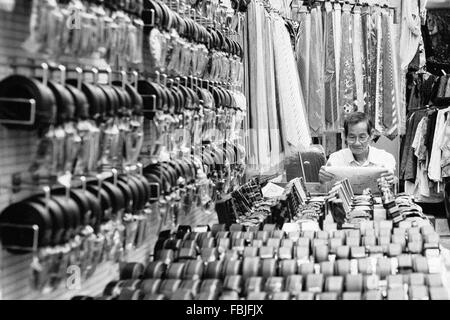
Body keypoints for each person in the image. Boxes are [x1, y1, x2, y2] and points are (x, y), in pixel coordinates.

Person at [319, 112, 397, 185]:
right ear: (345, 136)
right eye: (352, 137)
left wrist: (393, 180)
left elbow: (392, 181)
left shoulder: (385, 158)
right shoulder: (336, 159)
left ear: (371, 134)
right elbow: (326, 187)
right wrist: (323, 180)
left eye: (362, 137)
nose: (357, 143)